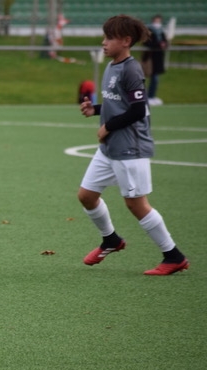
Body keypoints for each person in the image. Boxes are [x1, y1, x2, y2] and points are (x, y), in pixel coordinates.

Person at [78, 14, 188, 276]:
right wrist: (95, 110)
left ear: (126, 41)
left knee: (136, 205)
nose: (103, 42)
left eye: (109, 38)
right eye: (104, 37)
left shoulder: (131, 69)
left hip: (130, 149)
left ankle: (173, 256)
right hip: (110, 148)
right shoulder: (112, 66)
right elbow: (119, 104)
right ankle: (111, 240)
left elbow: (138, 110)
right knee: (86, 195)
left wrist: (107, 126)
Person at [142, 14, 167, 106]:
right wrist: (158, 44)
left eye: (159, 21)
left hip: (158, 58)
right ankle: (144, 96)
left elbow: (165, 41)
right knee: (143, 78)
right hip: (149, 58)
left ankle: (151, 96)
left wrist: (165, 44)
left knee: (155, 79)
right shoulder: (149, 31)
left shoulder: (161, 31)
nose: (158, 23)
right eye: (156, 21)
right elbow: (147, 42)